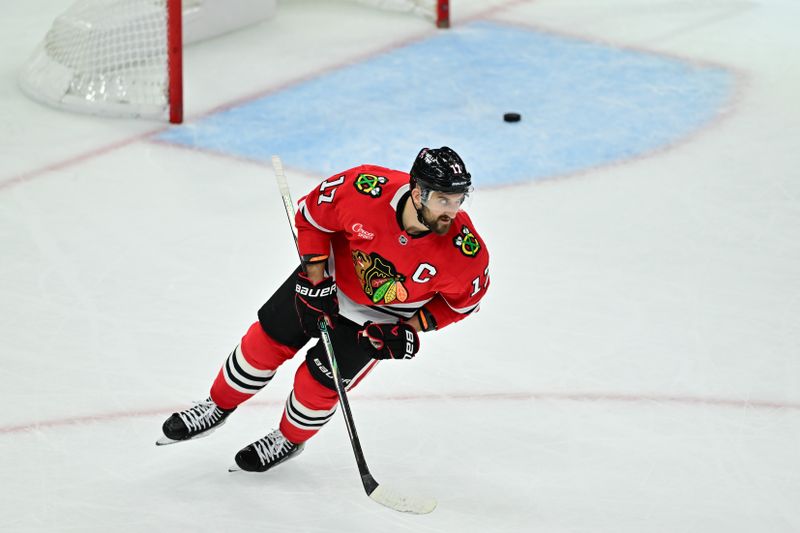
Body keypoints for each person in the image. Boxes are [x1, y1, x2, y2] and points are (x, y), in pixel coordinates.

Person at [158, 146, 491, 473]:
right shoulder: (364, 189)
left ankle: (288, 440)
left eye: (459, 200)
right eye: (443, 200)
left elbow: (463, 305)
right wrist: (314, 280)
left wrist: (407, 329)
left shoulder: (466, 252)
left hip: (380, 318)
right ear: (418, 193)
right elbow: (312, 218)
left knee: (316, 385)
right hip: (328, 279)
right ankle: (216, 406)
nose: (453, 210)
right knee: (261, 346)